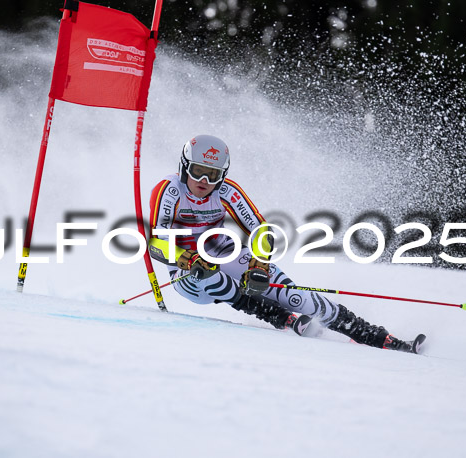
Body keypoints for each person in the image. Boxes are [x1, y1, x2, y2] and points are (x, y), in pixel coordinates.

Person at [147, 134, 424, 353]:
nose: (205, 181)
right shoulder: (169, 190)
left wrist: (258, 263)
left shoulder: (227, 190)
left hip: (221, 251)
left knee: (296, 296)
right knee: (209, 275)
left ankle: (375, 335)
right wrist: (188, 259)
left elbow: (261, 231)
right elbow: (156, 243)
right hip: (186, 270)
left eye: (213, 174)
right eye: (198, 171)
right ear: (184, 166)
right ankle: (278, 316)